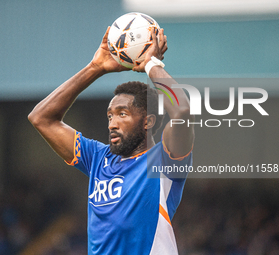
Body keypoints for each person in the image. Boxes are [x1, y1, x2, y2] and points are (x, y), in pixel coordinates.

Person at [28, 26, 194, 255]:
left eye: (122, 114)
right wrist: (95, 68)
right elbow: (40, 118)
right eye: (110, 115)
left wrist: (151, 64)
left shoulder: (165, 161)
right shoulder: (97, 158)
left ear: (148, 121)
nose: (112, 123)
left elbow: (182, 111)